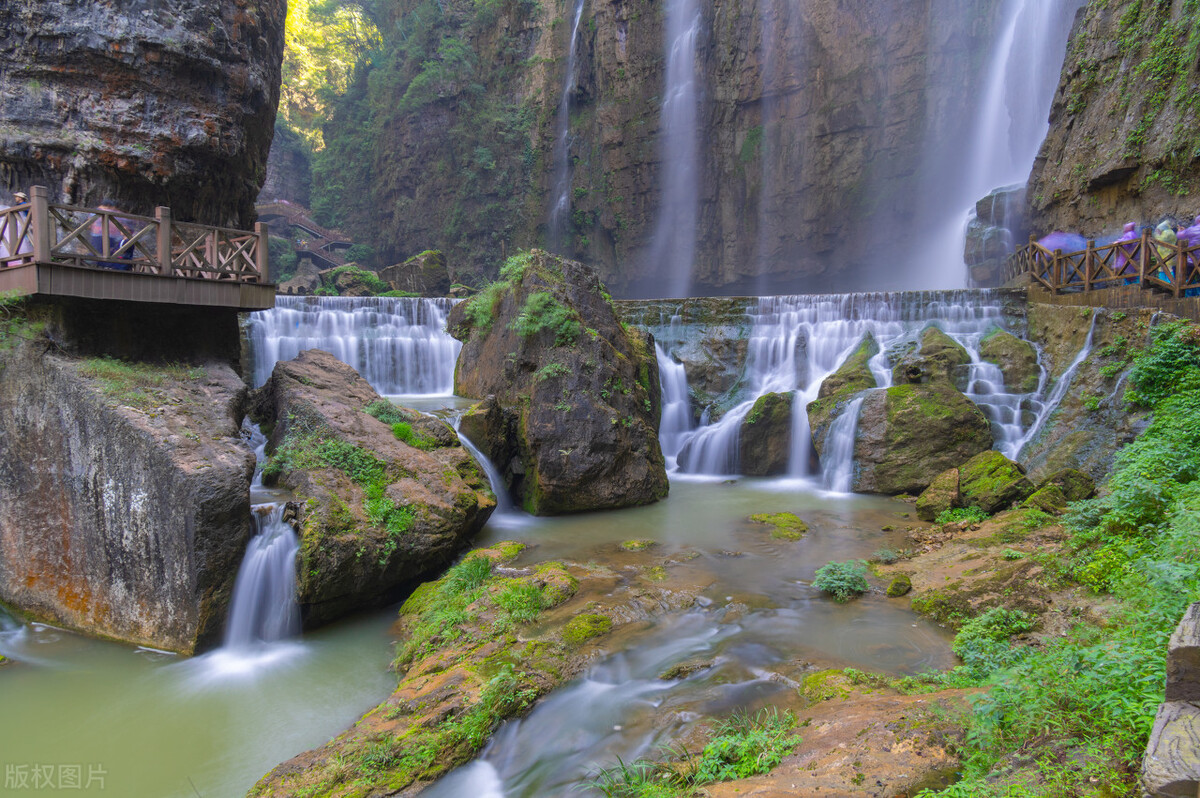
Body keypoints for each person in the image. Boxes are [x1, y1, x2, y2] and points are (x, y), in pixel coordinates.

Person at [89, 200, 130, 270]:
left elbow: (89, 225)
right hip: (110, 236)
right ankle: (103, 265)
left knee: (97, 253)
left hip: (98, 235)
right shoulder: (117, 213)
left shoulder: (95, 212)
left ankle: (95, 264)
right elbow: (126, 221)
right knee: (106, 253)